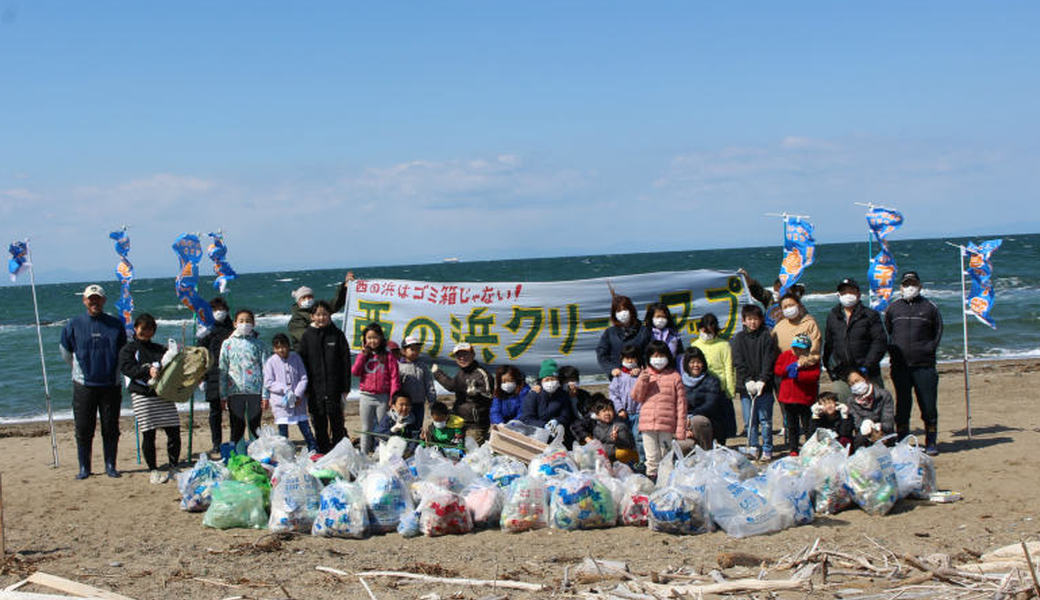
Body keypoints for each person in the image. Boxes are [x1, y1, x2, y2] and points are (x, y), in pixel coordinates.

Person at [60, 284, 127, 479]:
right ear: (84, 301)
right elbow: (65, 352)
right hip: (84, 386)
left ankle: (110, 465)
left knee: (110, 428)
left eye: (98, 298)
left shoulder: (115, 325)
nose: (94, 301)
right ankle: (84, 467)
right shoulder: (74, 324)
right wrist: (79, 370)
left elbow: (124, 352)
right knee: (83, 428)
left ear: (104, 300)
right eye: (91, 298)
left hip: (110, 384)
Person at [884, 271, 943, 455]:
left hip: (924, 366)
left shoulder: (930, 307)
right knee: (903, 405)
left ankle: (931, 441)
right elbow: (888, 331)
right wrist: (893, 351)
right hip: (900, 366)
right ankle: (902, 441)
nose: (910, 287)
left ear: (920, 286)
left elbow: (938, 331)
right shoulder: (893, 308)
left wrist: (928, 349)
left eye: (913, 284)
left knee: (928, 405)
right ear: (900, 287)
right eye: (906, 284)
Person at [118, 313, 180, 483]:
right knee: (149, 434)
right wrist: (147, 371)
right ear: (136, 328)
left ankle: (174, 467)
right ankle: (153, 469)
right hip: (142, 395)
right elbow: (127, 368)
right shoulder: (128, 349)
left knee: (174, 430)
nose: (146, 332)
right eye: (143, 328)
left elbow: (171, 368)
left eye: (150, 328)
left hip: (163, 394)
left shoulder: (160, 349)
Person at [298, 301, 352, 454]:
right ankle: (323, 451)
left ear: (329, 315)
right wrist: (305, 389)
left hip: (334, 387)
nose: (321, 318)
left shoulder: (337, 335)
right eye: (318, 315)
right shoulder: (307, 336)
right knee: (319, 421)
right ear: (312, 316)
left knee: (337, 421)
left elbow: (345, 362)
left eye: (325, 314)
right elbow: (303, 363)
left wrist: (346, 388)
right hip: (315, 389)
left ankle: (339, 451)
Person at [822, 278, 887, 402]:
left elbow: (880, 342)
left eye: (851, 291)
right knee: (844, 413)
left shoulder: (870, 315)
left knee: (873, 412)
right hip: (843, 375)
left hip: (868, 374)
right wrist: (829, 368)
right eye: (844, 292)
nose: (847, 295)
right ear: (839, 295)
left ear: (858, 293)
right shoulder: (833, 316)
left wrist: (866, 366)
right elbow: (829, 343)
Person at [631, 340, 686, 480]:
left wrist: (680, 429)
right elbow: (636, 397)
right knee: (651, 458)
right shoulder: (645, 375)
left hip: (666, 425)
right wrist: (642, 380)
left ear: (667, 357)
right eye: (654, 356)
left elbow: (681, 405)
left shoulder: (675, 377)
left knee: (666, 457)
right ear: (649, 358)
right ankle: (653, 484)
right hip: (647, 424)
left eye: (661, 356)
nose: (658, 360)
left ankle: (666, 484)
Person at [730, 304, 778, 460]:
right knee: (750, 420)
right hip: (746, 387)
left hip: (765, 386)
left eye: (755, 319)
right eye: (749, 319)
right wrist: (747, 380)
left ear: (761, 320)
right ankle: (753, 447)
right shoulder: (738, 338)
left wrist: (763, 380)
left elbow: (769, 360)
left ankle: (767, 448)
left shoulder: (766, 336)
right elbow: (738, 361)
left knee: (765, 419)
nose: (752, 322)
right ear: (743, 321)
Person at [219, 309, 267, 446]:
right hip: (235, 392)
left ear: (253, 324)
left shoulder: (259, 345)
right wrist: (222, 396)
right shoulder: (227, 344)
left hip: (255, 391)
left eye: (248, 321)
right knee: (236, 426)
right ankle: (238, 456)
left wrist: (265, 395)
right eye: (241, 321)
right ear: (235, 324)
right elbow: (223, 371)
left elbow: (266, 371)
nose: (245, 324)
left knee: (255, 426)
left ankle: (257, 455)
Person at [263, 333, 317, 453]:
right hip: (281, 403)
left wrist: (297, 394)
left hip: (298, 402)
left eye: (284, 346)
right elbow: (268, 382)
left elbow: (303, 378)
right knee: (283, 430)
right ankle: (285, 452)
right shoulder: (271, 362)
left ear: (288, 346)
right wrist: (284, 389)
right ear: (274, 349)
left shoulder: (296, 358)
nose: (281, 350)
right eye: (278, 347)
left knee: (305, 427)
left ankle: (313, 449)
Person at [432, 342, 494, 444]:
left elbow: (489, 395)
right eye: (458, 355)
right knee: (455, 451)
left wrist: (477, 392)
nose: (462, 358)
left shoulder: (482, 373)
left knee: (471, 453)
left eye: (465, 354)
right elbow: (452, 386)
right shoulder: (461, 373)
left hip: (476, 424)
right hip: (458, 421)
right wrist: (437, 373)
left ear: (473, 355)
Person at [352, 322, 399, 454]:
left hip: (383, 397)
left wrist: (393, 397)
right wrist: (363, 355)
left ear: (381, 339)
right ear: (364, 340)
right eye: (369, 338)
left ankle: (382, 454)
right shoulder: (363, 355)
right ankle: (364, 454)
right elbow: (355, 372)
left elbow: (394, 378)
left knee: (383, 428)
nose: (372, 340)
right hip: (366, 396)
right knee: (366, 428)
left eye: (375, 337)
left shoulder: (388, 356)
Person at [773, 333, 821, 456]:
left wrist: (799, 375)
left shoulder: (812, 360)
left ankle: (810, 447)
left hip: (805, 398)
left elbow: (814, 376)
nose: (798, 351)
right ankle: (793, 448)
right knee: (792, 426)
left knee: (807, 426)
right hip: (788, 399)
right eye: (796, 348)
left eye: (801, 349)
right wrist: (788, 369)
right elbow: (777, 369)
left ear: (807, 349)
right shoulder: (786, 356)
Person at [197, 296, 234, 455]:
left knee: (234, 410)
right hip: (212, 374)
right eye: (216, 310)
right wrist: (201, 377)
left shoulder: (232, 328)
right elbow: (200, 356)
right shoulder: (206, 330)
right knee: (215, 411)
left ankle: (234, 439)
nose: (220, 312)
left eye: (223, 310)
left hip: (232, 374)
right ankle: (216, 443)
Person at [681, 347, 736, 451]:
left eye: (698, 362)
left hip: (709, 422)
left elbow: (711, 404)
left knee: (697, 421)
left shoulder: (712, 381)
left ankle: (707, 452)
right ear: (686, 364)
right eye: (692, 362)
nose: (695, 365)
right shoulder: (680, 382)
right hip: (687, 423)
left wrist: (691, 417)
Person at [287, 272, 353, 350]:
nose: (307, 299)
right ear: (298, 301)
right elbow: (307, 338)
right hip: (307, 357)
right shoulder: (295, 321)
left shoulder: (318, 309)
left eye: (310, 297)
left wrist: (344, 288)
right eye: (304, 298)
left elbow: (335, 304)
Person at [596, 294, 651, 379]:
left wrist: (642, 368)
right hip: (618, 379)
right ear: (614, 314)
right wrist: (611, 369)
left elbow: (649, 354)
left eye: (625, 309)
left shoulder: (643, 331)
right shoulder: (610, 333)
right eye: (618, 311)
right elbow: (601, 354)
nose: (622, 313)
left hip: (640, 378)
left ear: (631, 310)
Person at [522, 359, 577, 443]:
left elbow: (565, 415)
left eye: (553, 379)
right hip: (536, 432)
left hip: (557, 432)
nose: (550, 382)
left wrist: (556, 421)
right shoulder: (533, 395)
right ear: (541, 381)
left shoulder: (563, 395)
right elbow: (527, 418)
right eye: (547, 380)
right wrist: (543, 425)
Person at [845, 370, 896, 451]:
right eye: (852, 384)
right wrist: (869, 429)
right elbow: (857, 423)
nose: (856, 385)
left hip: (883, 431)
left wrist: (878, 429)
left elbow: (888, 419)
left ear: (865, 379)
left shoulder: (883, 395)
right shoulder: (851, 401)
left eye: (857, 381)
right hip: (864, 434)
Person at [608, 344, 643, 461]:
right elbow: (613, 394)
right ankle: (627, 461)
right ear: (622, 359)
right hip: (623, 414)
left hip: (639, 413)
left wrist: (641, 373)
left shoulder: (642, 374)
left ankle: (642, 460)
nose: (629, 361)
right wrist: (620, 409)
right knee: (624, 437)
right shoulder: (618, 376)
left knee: (639, 437)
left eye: (632, 358)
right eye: (626, 358)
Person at [690, 313, 736, 401]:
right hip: (701, 389)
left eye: (710, 332)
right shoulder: (695, 345)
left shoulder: (724, 345)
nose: (707, 334)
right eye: (704, 331)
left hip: (720, 390)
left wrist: (730, 390)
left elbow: (729, 368)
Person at [771, 291, 822, 367]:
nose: (788, 309)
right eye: (785, 307)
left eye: (791, 305)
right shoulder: (778, 326)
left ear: (799, 305)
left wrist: (800, 363)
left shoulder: (809, 324)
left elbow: (815, 350)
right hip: (784, 369)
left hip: (805, 370)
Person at [581, 396, 637, 464]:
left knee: (620, 453)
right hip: (607, 456)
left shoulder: (620, 425)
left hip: (623, 457)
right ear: (597, 415)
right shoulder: (597, 429)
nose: (607, 413)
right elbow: (598, 445)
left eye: (610, 410)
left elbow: (627, 445)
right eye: (604, 411)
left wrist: (617, 439)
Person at [396, 335, 436, 428]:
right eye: (412, 349)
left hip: (419, 403)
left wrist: (432, 399)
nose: (415, 352)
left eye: (418, 349)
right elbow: (396, 386)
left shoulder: (423, 366)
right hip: (404, 405)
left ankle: (416, 442)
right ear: (403, 351)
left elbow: (429, 383)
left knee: (418, 427)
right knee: (404, 426)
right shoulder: (399, 366)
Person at [375, 390, 422, 455]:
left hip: (406, 451)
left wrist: (409, 451)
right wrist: (392, 430)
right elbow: (378, 436)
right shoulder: (388, 418)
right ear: (393, 406)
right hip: (388, 451)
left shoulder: (412, 419)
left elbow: (414, 438)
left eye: (407, 405)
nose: (404, 408)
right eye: (401, 405)